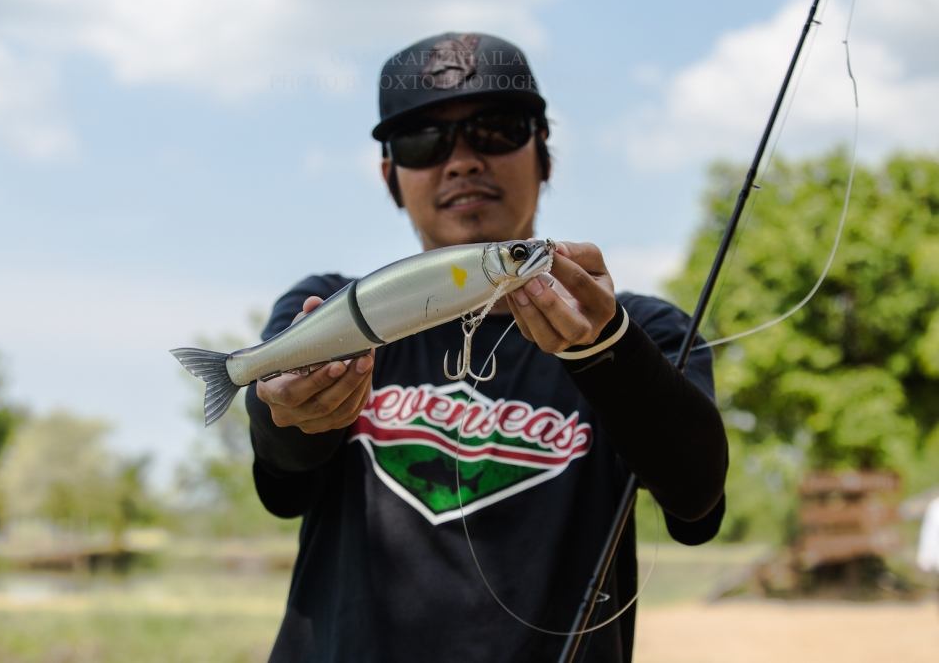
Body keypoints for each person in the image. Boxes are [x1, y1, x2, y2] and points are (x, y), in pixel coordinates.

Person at [246, 32, 728, 663]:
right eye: (424, 140)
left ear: (544, 153)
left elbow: (697, 503)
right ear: (392, 177)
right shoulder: (334, 312)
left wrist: (607, 350)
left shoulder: (645, 330)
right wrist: (288, 409)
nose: (463, 160)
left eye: (496, 129)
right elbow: (282, 478)